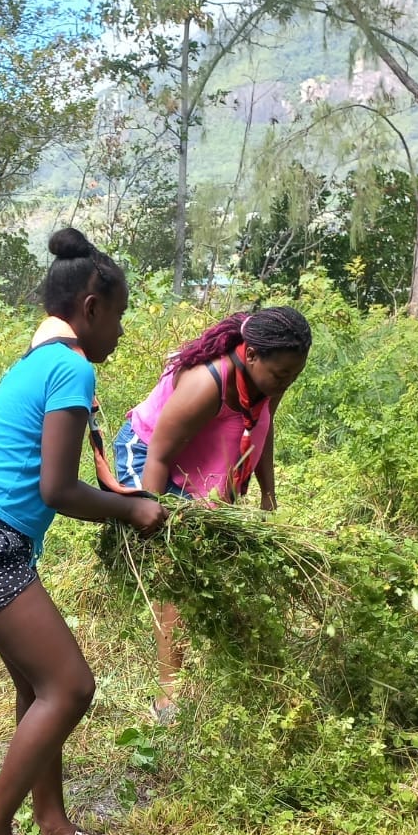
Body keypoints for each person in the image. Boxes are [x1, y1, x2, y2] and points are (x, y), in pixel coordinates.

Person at [0, 228, 166, 835]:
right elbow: (57, 488)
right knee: (72, 687)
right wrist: (136, 512)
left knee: (39, 687)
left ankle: (54, 823)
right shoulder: (71, 367)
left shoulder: (43, 357)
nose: (118, 332)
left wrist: (128, 498)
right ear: (91, 307)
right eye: (117, 316)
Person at [111, 307, 313, 719]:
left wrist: (267, 493)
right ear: (251, 355)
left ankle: (219, 664)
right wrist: (156, 526)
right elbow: (160, 457)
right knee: (177, 576)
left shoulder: (274, 370)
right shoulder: (208, 383)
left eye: (294, 375)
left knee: (219, 559)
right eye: (281, 376)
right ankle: (167, 696)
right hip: (150, 456)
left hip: (201, 452)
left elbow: (263, 423)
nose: (286, 383)